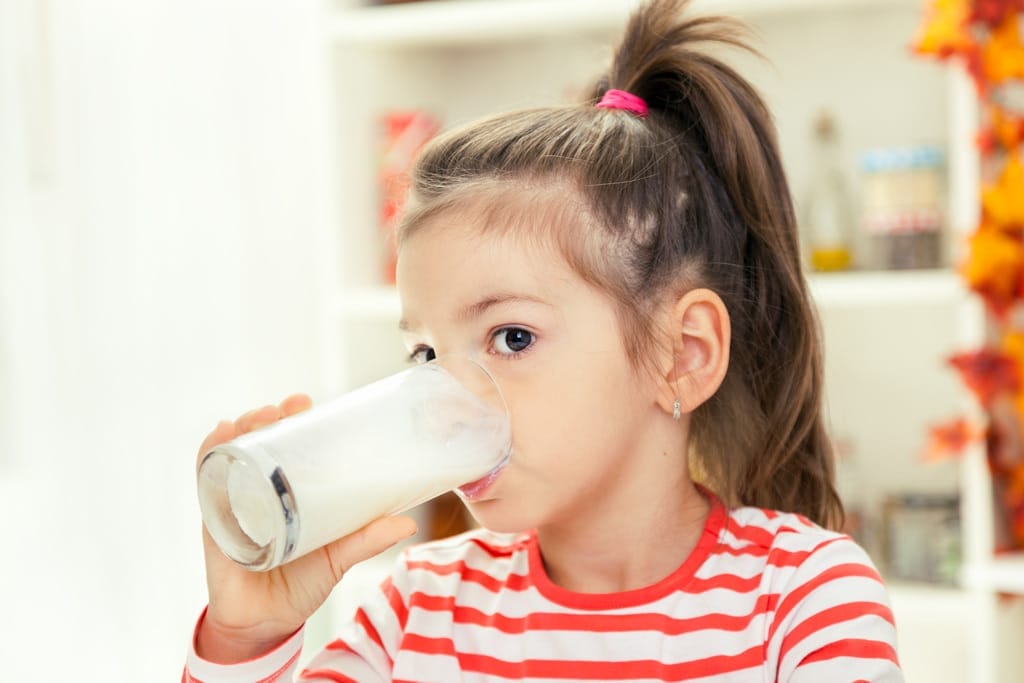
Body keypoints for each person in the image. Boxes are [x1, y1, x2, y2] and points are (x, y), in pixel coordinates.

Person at [184, 0, 903, 680]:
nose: (443, 401)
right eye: (428, 354)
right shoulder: (418, 610)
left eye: (512, 336)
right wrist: (245, 639)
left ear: (681, 355)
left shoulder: (803, 601)